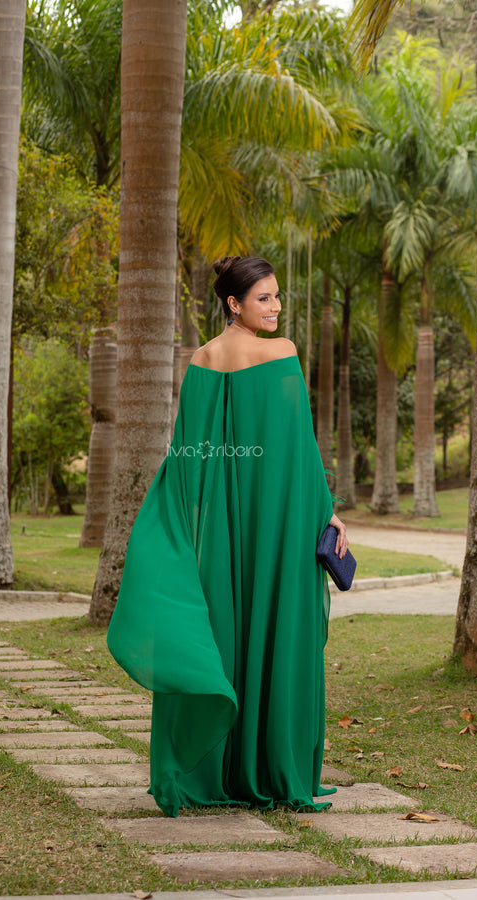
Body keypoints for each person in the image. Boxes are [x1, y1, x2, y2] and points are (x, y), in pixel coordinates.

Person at [107, 255, 349, 818]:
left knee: (225, 628)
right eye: (264, 298)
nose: (277, 307)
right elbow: (298, 449)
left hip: (224, 528)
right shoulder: (282, 352)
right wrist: (327, 511)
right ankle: (273, 769)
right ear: (233, 303)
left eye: (277, 297)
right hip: (281, 519)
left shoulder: (203, 359)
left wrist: (190, 524)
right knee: (279, 626)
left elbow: (189, 453)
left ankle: (212, 772)